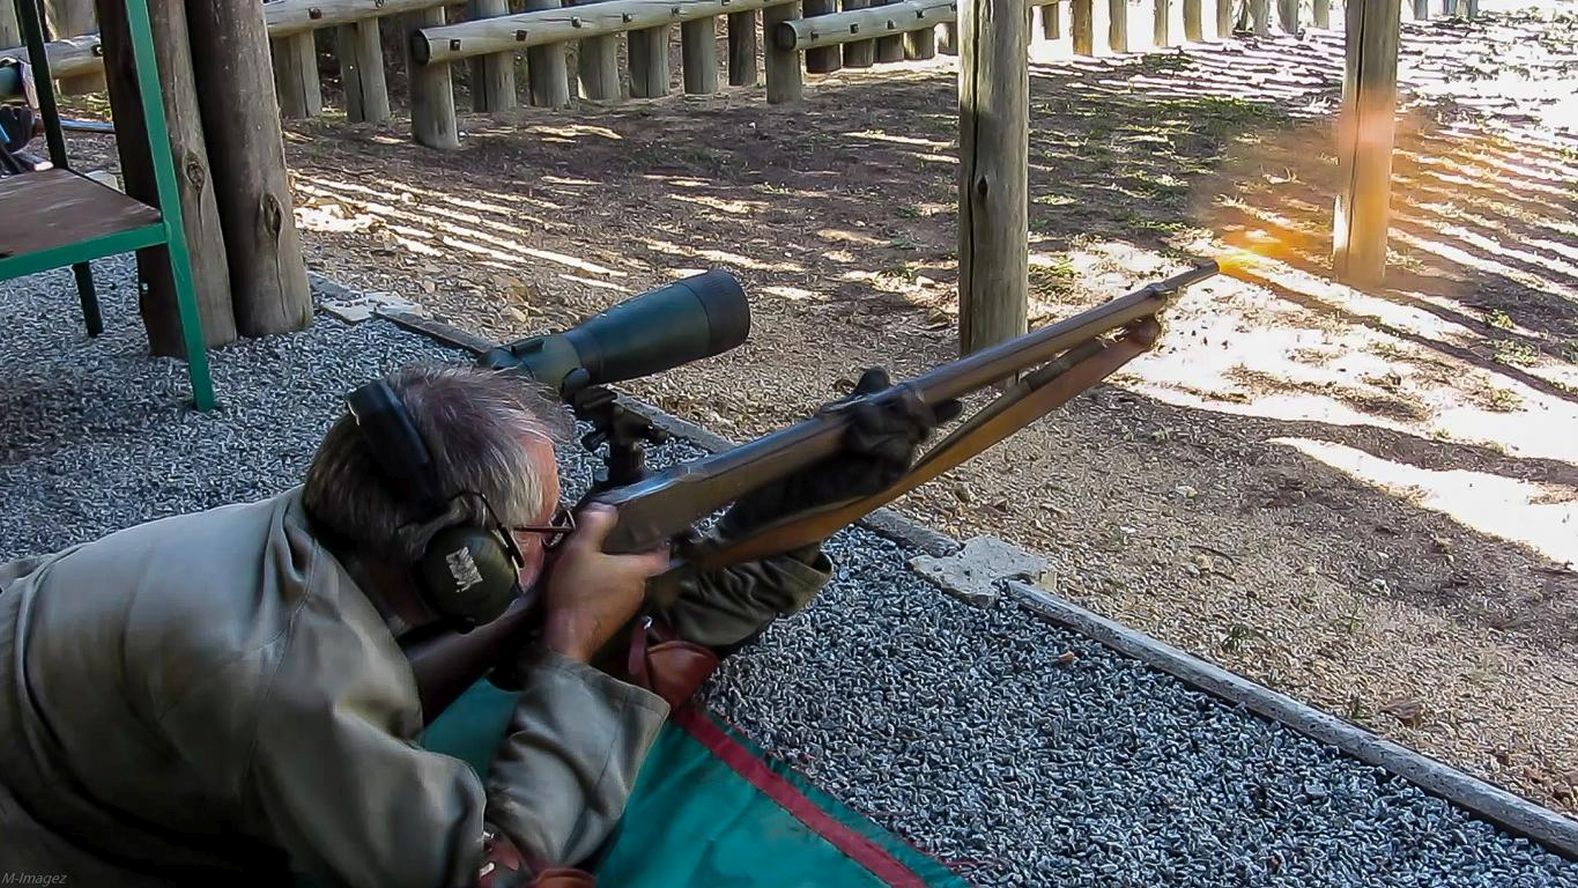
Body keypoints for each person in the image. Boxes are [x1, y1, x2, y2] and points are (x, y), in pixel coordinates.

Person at [0, 363, 947, 888]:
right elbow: (497, 875)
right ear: (467, 563)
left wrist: (782, 526)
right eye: (547, 529)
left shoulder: (319, 528)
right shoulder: (287, 681)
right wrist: (571, 645)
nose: (570, 536)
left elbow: (609, 618)